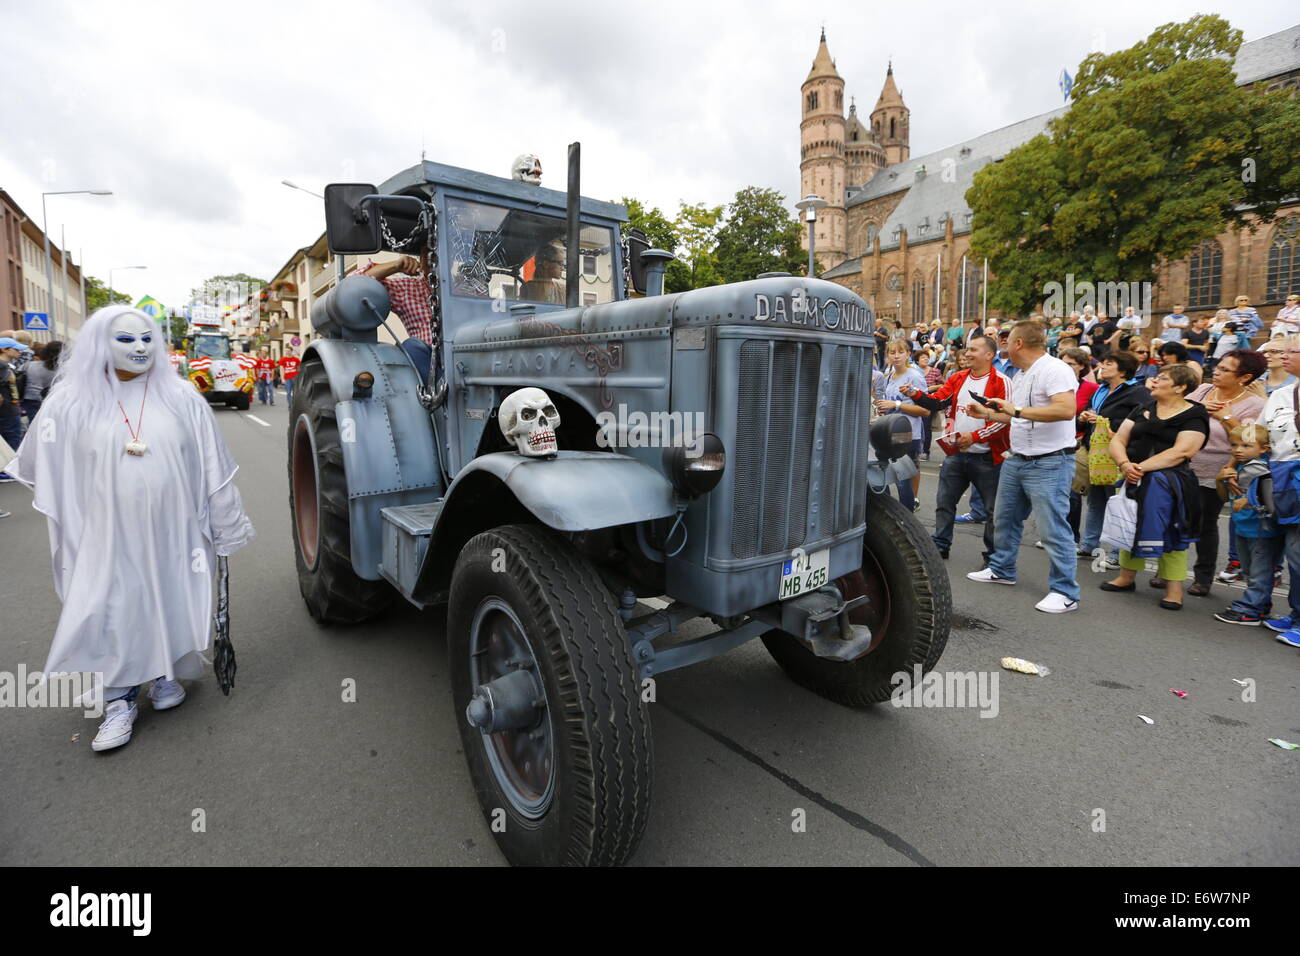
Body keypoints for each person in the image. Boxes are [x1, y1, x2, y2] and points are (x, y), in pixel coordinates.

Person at [7, 307, 255, 751]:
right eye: (126, 339)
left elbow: (213, 466)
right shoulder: (70, 402)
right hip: (105, 534)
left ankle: (162, 674)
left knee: (164, 593)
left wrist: (224, 523)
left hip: (172, 532)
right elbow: (44, 463)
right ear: (101, 343)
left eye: (147, 338)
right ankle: (118, 700)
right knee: (111, 603)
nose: (140, 347)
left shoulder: (181, 396)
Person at [965, 321, 1081, 613]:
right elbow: (1019, 417)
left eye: (1006, 340)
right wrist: (990, 412)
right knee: (1004, 519)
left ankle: (1065, 592)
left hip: (1050, 461)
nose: (1002, 344)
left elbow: (1066, 409)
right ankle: (1002, 569)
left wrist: (1013, 409)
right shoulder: (1021, 374)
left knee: (1053, 528)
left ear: (1019, 343)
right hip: (1018, 458)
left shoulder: (1055, 369)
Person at [1100, 365, 1209, 610]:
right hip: (1134, 476)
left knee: (1172, 532)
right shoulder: (1143, 408)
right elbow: (1118, 438)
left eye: (1162, 378)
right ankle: (1126, 577)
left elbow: (1184, 450)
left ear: (1181, 387)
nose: (1154, 381)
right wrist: (1125, 464)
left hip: (1169, 483)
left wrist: (1140, 467)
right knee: (1129, 525)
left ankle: (1174, 590)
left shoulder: (1195, 414)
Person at [907, 335, 1011, 562]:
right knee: (944, 503)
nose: (968, 353)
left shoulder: (1001, 381)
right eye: (968, 348)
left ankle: (993, 557)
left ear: (989, 355)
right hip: (956, 454)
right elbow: (938, 402)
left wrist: (974, 437)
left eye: (974, 349)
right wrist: (915, 394)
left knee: (994, 512)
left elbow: (1004, 420)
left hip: (988, 458)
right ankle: (940, 545)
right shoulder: (958, 378)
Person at [1180, 350, 1266, 596]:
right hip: (1184, 463)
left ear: (1245, 377)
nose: (1216, 371)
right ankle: (1168, 572)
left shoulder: (1255, 404)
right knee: (1176, 517)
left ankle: (1203, 577)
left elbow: (1250, 440)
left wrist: (1226, 417)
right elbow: (1177, 412)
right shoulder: (1204, 390)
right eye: (1218, 366)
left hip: (1218, 470)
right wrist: (1197, 408)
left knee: (1205, 523)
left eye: (1225, 369)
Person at [1077, 350, 1153, 562]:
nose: (1103, 365)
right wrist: (1084, 417)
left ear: (1123, 370)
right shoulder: (1100, 390)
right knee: (1096, 501)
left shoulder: (1137, 392)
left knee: (1118, 503)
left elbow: (1144, 422)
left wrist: (1106, 423)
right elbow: (1087, 414)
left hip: (1120, 456)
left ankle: (1116, 553)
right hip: (1096, 453)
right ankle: (1089, 545)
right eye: (1104, 362)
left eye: (1109, 363)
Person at [1213, 424, 1282, 625]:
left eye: (1246, 445)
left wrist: (1251, 499)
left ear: (1264, 448)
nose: (1238, 450)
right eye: (1234, 445)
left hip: (1263, 531)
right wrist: (1220, 480)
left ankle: (1251, 610)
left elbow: (1274, 496)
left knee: (1260, 571)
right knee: (1250, 571)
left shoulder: (1265, 469)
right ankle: (1259, 605)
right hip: (1243, 527)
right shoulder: (1239, 467)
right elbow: (1225, 497)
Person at [872, 338, 928, 511]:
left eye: (900, 352)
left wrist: (895, 405)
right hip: (890, 433)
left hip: (908, 435)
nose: (896, 356)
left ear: (908, 354)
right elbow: (890, 405)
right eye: (892, 352)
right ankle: (889, 514)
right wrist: (884, 409)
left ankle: (907, 519)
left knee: (903, 482)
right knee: (883, 476)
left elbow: (925, 410)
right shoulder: (889, 376)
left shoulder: (914, 377)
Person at [21, 341, 61, 423]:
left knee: (35, 424)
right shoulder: (61, 370)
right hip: (53, 400)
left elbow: (18, 376)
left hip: (30, 399)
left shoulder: (30, 365)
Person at [0, 336, 25, 458]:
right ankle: (7, 470)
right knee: (11, 441)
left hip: (7, 409)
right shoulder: (3, 366)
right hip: (7, 410)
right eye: (16, 349)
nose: (19, 352)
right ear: (4, 349)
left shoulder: (6, 366)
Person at [916, 348, 942, 460]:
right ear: (917, 361)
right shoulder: (914, 372)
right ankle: (916, 449)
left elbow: (942, 385)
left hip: (929, 401)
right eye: (923, 357)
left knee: (926, 427)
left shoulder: (935, 371)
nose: (926, 359)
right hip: (915, 401)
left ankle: (925, 451)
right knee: (916, 426)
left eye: (927, 357)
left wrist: (932, 388)